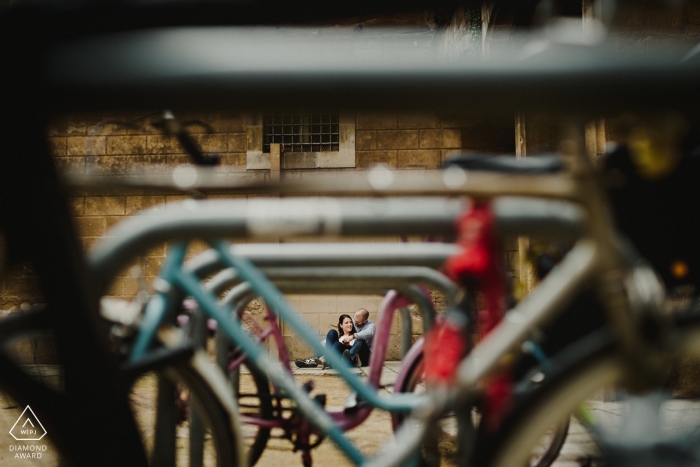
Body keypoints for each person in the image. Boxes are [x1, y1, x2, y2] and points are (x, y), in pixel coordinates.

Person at [295, 308, 375, 368]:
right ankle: (315, 361)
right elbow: (329, 343)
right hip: (342, 353)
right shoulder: (347, 329)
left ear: (365, 321)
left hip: (364, 355)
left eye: (354, 322)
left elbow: (368, 333)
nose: (352, 324)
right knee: (333, 335)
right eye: (352, 321)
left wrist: (352, 337)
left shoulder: (370, 326)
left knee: (360, 340)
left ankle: (332, 359)